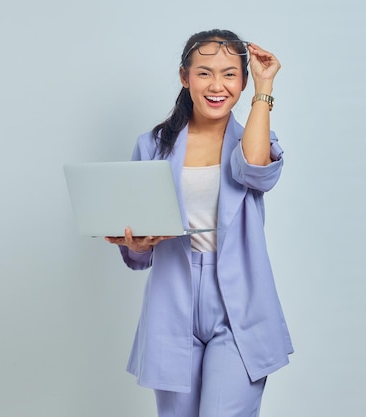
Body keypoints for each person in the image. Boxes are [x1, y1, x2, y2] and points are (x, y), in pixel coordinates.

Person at [105, 28, 293, 417]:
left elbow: (256, 172)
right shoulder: (152, 146)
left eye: (229, 74)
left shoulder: (254, 140)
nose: (217, 85)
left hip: (240, 304)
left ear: (242, 81)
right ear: (184, 77)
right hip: (172, 299)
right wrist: (136, 244)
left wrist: (264, 87)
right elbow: (138, 251)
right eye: (204, 72)